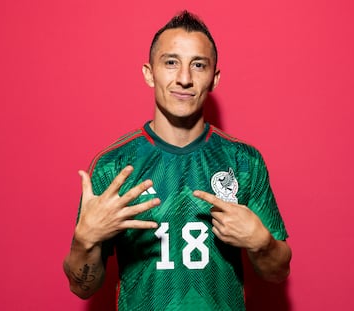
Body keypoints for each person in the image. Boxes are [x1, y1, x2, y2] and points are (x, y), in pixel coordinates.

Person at [63, 10, 292, 310]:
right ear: (149, 73)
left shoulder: (243, 161)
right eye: (171, 63)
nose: (184, 78)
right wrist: (84, 241)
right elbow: (83, 287)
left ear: (214, 78)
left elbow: (278, 273)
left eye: (198, 65)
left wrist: (262, 243)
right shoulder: (114, 166)